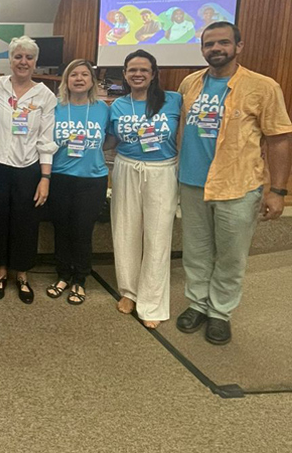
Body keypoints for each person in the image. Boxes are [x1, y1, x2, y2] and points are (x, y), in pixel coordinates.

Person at [176, 22, 292, 345]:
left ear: (238, 46)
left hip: (238, 186)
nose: (216, 49)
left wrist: (278, 191)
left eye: (223, 43)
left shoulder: (262, 87)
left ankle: (220, 313)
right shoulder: (191, 84)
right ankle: (198, 304)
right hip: (192, 183)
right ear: (202, 49)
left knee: (231, 255)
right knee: (196, 252)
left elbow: (280, 139)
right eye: (209, 44)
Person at [107, 50, 182, 329]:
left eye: (144, 70)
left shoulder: (173, 100)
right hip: (126, 168)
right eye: (132, 70)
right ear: (125, 74)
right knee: (125, 230)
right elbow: (109, 141)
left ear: (153, 74)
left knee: (157, 236)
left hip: (162, 171)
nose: (137, 74)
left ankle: (151, 301)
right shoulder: (117, 106)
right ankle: (129, 292)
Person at [0, 36, 56, 304]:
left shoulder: (45, 95)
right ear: (10, 60)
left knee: (26, 223)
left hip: (28, 169)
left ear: (36, 62)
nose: (23, 62)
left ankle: (22, 274)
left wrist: (45, 177)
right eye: (18, 57)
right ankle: (1, 273)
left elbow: (47, 139)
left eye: (28, 57)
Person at [49, 59, 110, 305]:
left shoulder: (103, 109)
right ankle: (63, 275)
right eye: (73, 74)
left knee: (83, 231)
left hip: (92, 179)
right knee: (61, 229)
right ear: (66, 80)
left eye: (84, 74)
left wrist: (91, 152)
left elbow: (110, 140)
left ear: (92, 81)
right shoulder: (55, 108)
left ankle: (80, 280)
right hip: (60, 177)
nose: (79, 78)